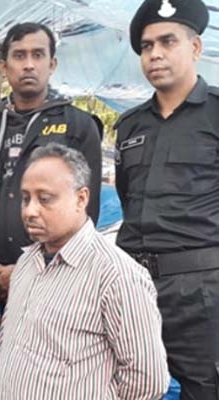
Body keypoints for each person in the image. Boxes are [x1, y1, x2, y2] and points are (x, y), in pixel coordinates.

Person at [0, 143, 168, 399]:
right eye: (26, 198)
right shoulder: (26, 264)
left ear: (81, 198)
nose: (30, 211)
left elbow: (147, 381)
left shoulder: (116, 275)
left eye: (44, 199)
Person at [0, 22, 102, 300]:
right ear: (3, 67)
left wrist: (29, 267)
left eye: (38, 55)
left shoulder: (78, 127)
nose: (29, 65)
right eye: (19, 56)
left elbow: (86, 210)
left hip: (51, 280)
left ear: (52, 64)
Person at [115, 0, 218, 397]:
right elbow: (127, 197)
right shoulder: (130, 125)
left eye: (167, 42)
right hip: (133, 287)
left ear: (195, 47)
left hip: (202, 291)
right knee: (130, 386)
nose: (155, 54)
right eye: (146, 46)